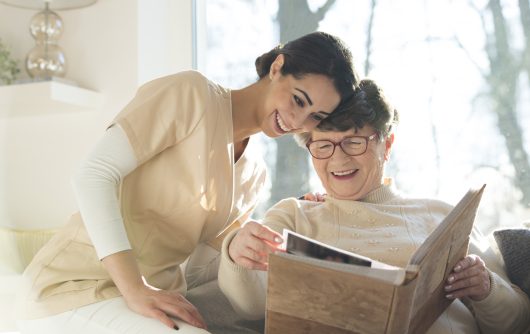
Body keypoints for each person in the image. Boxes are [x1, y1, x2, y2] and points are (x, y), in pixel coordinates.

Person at [15, 31, 360, 334]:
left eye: (316, 116)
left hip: (150, 299)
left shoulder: (254, 174)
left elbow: (199, 275)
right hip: (73, 288)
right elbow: (92, 175)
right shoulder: (191, 94)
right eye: (299, 100)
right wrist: (135, 288)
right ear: (277, 68)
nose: (298, 120)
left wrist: (291, 226)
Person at [218, 79, 530, 333]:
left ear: (386, 144)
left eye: (354, 142)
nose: (338, 160)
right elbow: (248, 305)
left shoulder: (442, 215)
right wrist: (236, 251)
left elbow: (516, 322)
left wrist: (486, 287)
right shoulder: (294, 216)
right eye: (323, 145)